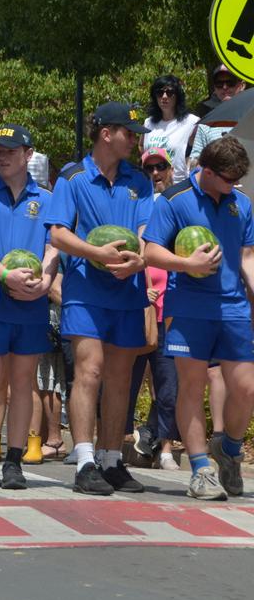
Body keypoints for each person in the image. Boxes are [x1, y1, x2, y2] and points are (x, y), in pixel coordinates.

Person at [47, 103, 152, 496]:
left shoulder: (138, 181)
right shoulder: (72, 178)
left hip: (128, 289)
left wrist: (139, 257)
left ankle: (112, 460)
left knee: (121, 379)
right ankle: (86, 460)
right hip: (86, 291)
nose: (135, 139)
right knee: (89, 372)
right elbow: (58, 234)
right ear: (107, 133)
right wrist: (99, 255)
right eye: (130, 131)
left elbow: (146, 229)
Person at [142, 136, 254, 500]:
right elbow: (151, 251)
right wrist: (187, 264)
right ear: (206, 171)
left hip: (233, 307)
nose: (233, 185)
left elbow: (247, 257)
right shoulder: (175, 200)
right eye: (228, 179)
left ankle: (230, 450)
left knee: (246, 388)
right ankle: (201, 468)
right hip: (188, 307)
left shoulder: (242, 204)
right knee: (191, 387)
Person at [0, 124, 58, 490]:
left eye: (10, 150)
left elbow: (54, 247)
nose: (3, 156)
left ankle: (14, 460)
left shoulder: (47, 199)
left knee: (22, 384)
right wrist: (4, 275)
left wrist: (46, 283)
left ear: (28, 154)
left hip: (31, 305)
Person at [128, 147, 179, 470]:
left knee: (169, 387)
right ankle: (122, 443)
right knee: (127, 384)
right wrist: (140, 280)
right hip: (140, 309)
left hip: (170, 311)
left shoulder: (179, 206)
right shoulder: (140, 206)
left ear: (172, 169)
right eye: (150, 169)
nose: (156, 174)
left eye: (161, 167)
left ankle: (165, 449)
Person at [141, 75, 199, 184]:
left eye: (170, 92)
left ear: (177, 96)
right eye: (159, 93)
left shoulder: (192, 122)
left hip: (179, 184)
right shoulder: (148, 123)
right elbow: (141, 147)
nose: (164, 96)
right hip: (152, 185)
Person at [190, 64, 248, 168]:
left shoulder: (251, 118)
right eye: (219, 84)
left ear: (242, 85)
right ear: (214, 89)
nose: (224, 87)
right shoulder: (206, 125)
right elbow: (195, 162)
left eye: (230, 83)